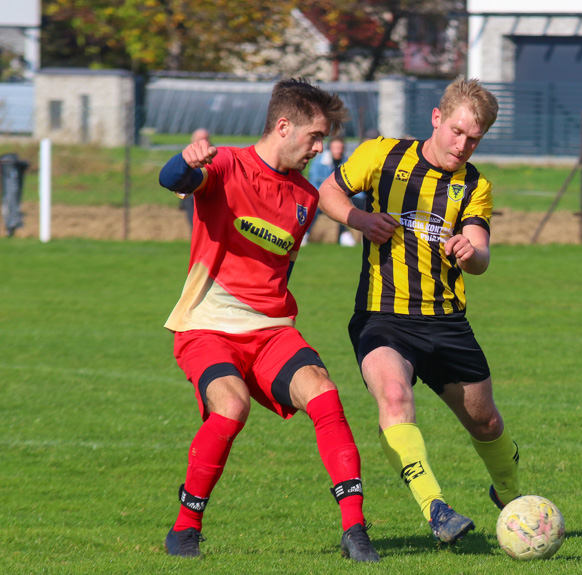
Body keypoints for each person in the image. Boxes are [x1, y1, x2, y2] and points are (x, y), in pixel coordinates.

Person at [157, 79, 379, 562]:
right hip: (207, 326)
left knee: (323, 391)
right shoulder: (225, 165)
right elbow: (173, 180)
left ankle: (356, 531)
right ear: (283, 126)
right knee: (231, 407)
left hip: (271, 330)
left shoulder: (306, 198)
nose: (320, 148)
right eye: (315, 137)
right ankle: (185, 528)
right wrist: (186, 160)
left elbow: (281, 268)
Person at [316, 77, 521, 545]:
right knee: (394, 398)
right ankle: (435, 509)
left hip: (447, 323)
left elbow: (483, 256)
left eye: (474, 138)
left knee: (485, 421)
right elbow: (328, 191)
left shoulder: (474, 186)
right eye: (456, 131)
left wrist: (473, 253)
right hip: (382, 317)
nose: (462, 144)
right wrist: (361, 219)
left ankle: (509, 493)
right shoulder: (381, 155)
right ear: (436, 118)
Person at [306, 137, 356, 247]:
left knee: (344, 206)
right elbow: (314, 184)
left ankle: (345, 234)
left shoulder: (347, 162)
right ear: (330, 149)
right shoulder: (319, 163)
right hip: (321, 196)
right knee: (315, 208)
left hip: (342, 197)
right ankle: (305, 234)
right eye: (336, 148)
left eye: (341, 148)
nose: (339, 150)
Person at [180, 128, 210, 229]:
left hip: (207, 195)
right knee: (195, 227)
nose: (203, 142)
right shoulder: (186, 156)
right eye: (200, 139)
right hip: (191, 197)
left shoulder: (213, 155)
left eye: (206, 139)